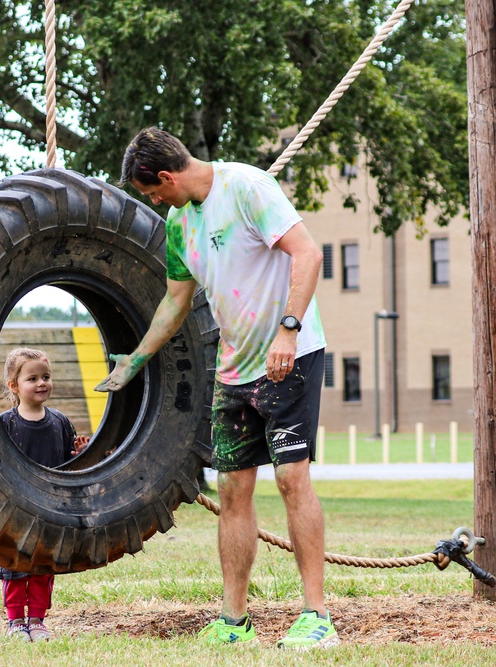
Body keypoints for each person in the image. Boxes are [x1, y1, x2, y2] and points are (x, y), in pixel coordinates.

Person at [95, 127, 337, 650]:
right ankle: (234, 621)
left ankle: (317, 617)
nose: (153, 201)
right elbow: (176, 302)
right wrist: (136, 360)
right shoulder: (179, 223)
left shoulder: (247, 187)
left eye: (152, 192)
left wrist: (288, 331)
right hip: (234, 372)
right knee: (231, 491)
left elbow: (308, 254)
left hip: (287, 358)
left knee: (293, 479)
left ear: (165, 176)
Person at [0, 347, 89, 642]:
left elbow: (69, 462)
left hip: (51, 507)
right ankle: (15, 622)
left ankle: (37, 620)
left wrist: (79, 453)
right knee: (14, 565)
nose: (41, 383)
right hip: (16, 509)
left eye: (46, 377)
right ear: (14, 386)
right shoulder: (5, 423)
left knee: (42, 566)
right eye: (32, 378)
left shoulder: (59, 421)